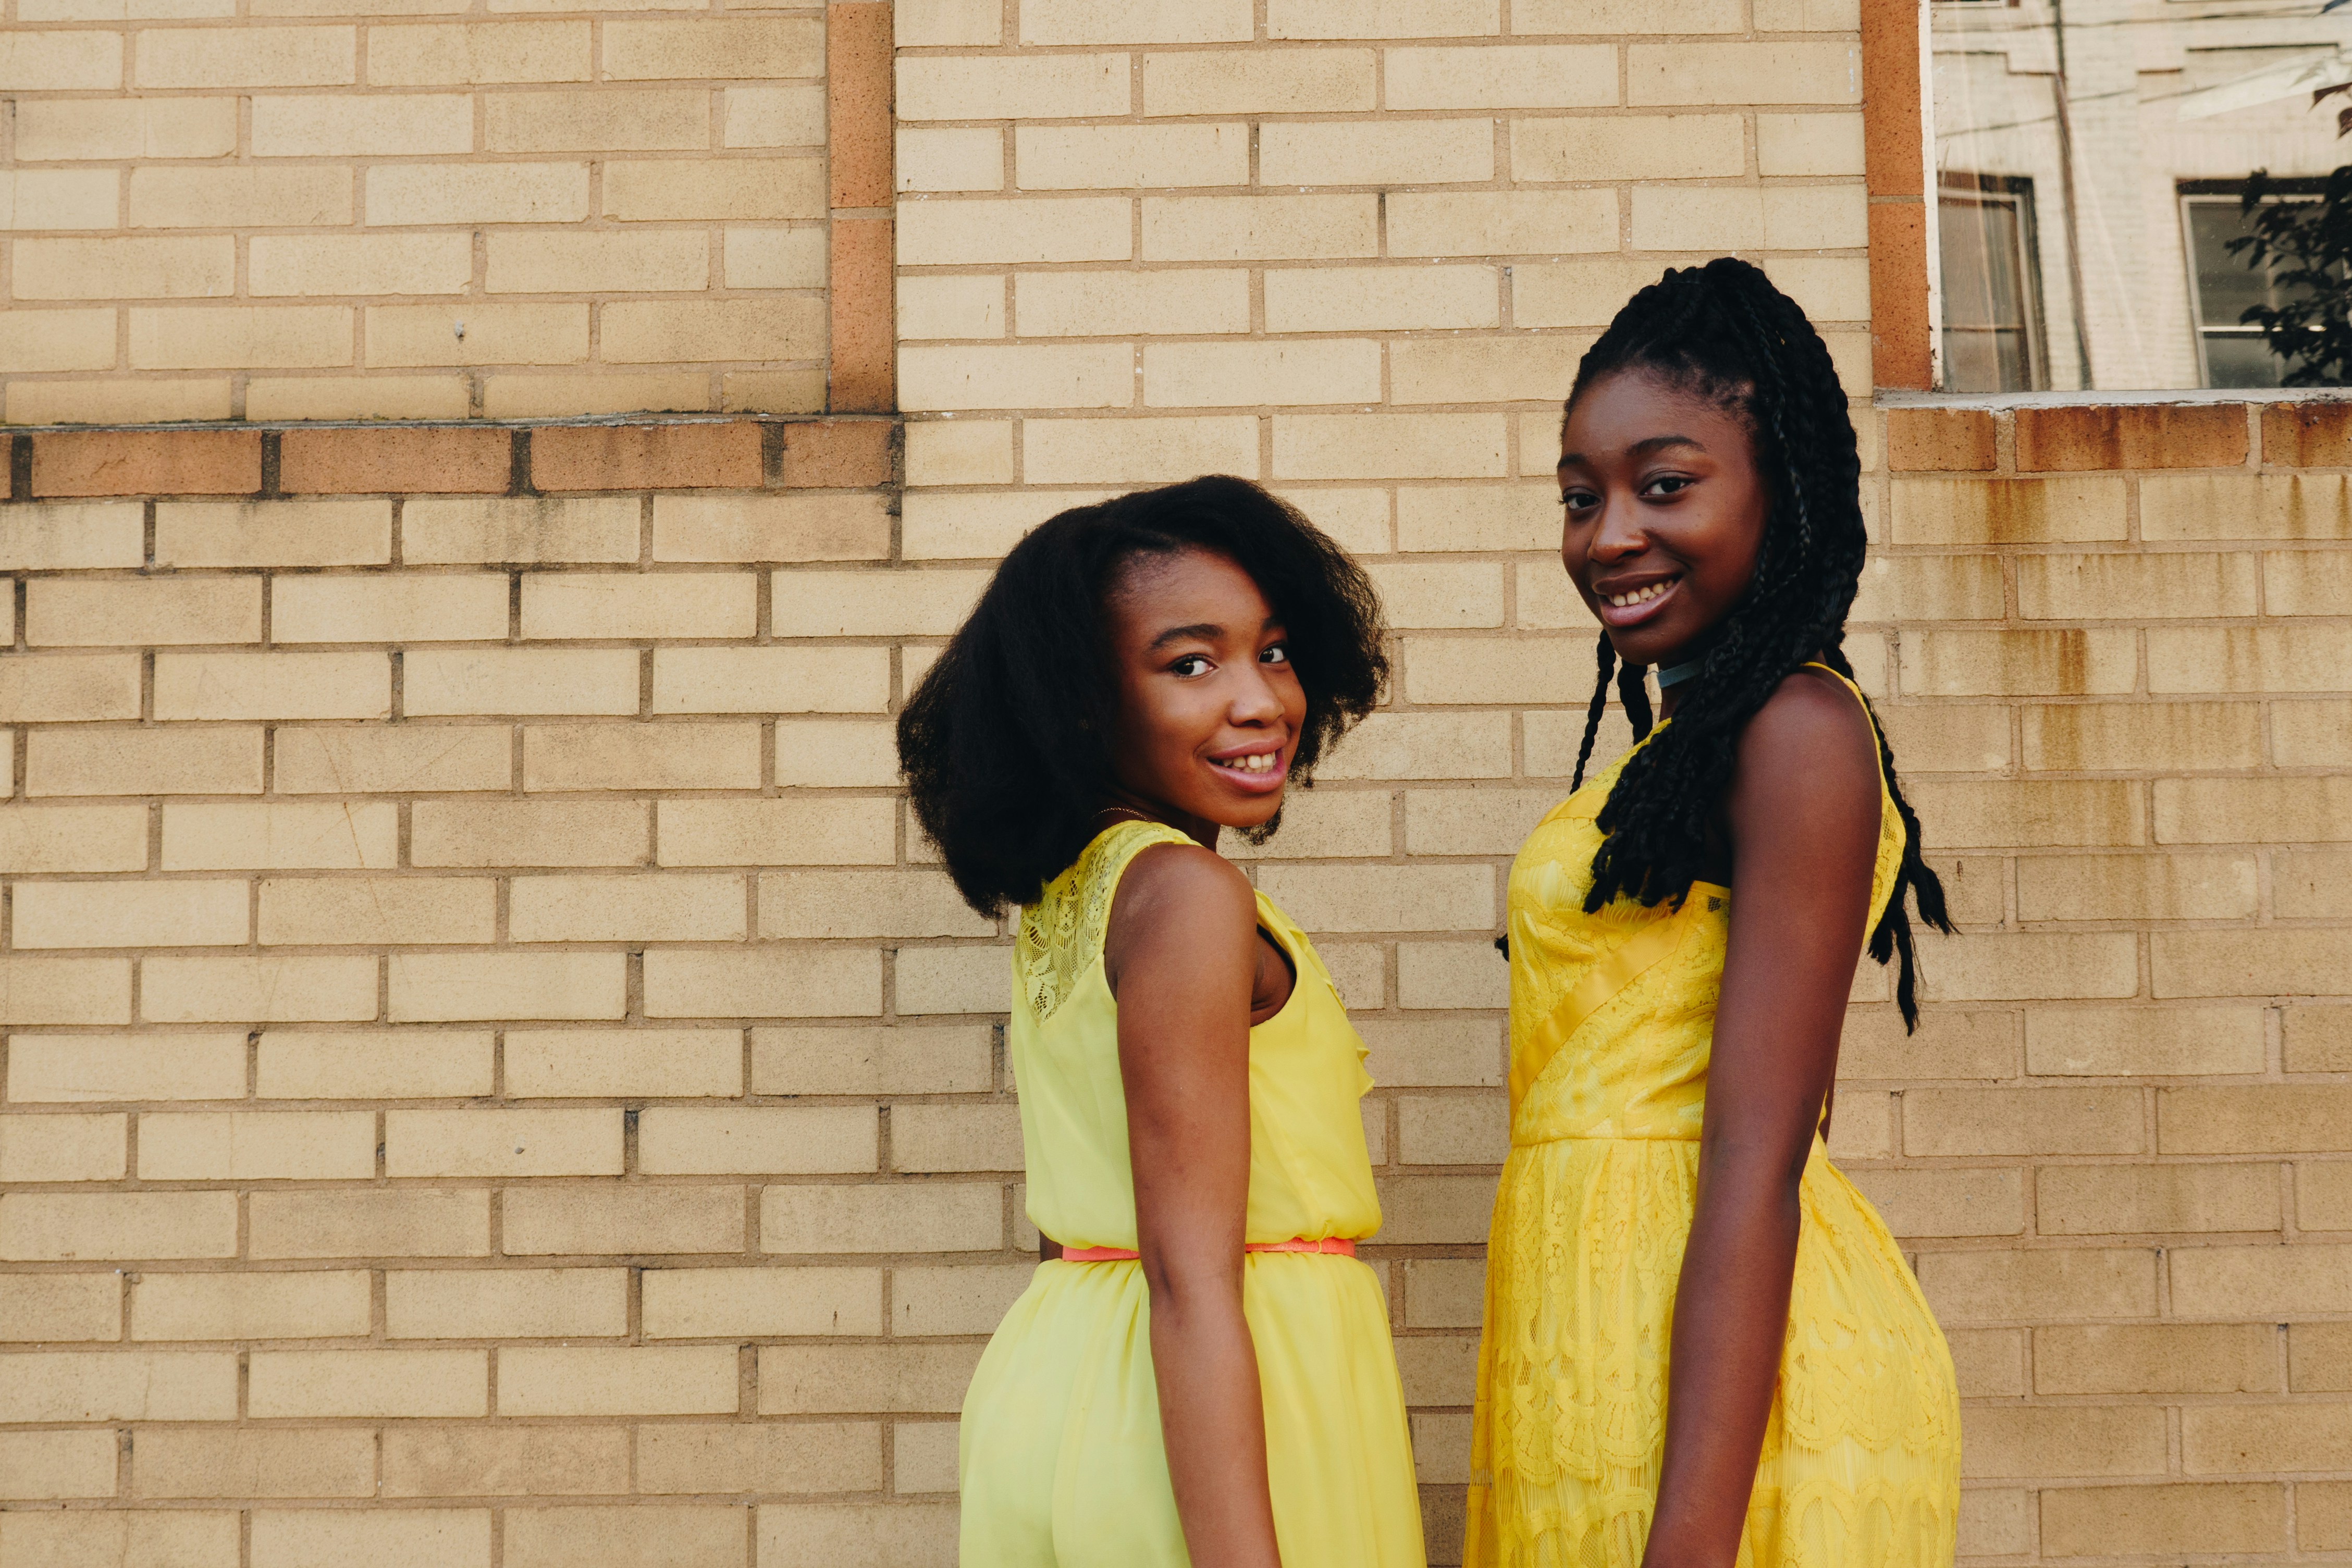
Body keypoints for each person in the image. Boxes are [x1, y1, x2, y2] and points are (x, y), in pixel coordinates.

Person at [1467, 258, 1963, 1568]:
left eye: (1663, 483)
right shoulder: (1679, 750)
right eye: (1581, 497)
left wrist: (1690, 1544)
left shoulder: (1797, 731)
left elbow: (1760, 1151)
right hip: (1598, 1354)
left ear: (1779, 486)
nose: (1608, 533)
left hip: (1720, 1414)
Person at [901, 476, 1426, 1568]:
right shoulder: (1185, 895)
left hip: (1071, 1370)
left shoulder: (1082, 893)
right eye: (1191, 663)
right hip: (1221, 1396)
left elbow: (1085, 1224)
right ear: (1084, 702)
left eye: (1271, 651)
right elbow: (1190, 1273)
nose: (1259, 699)